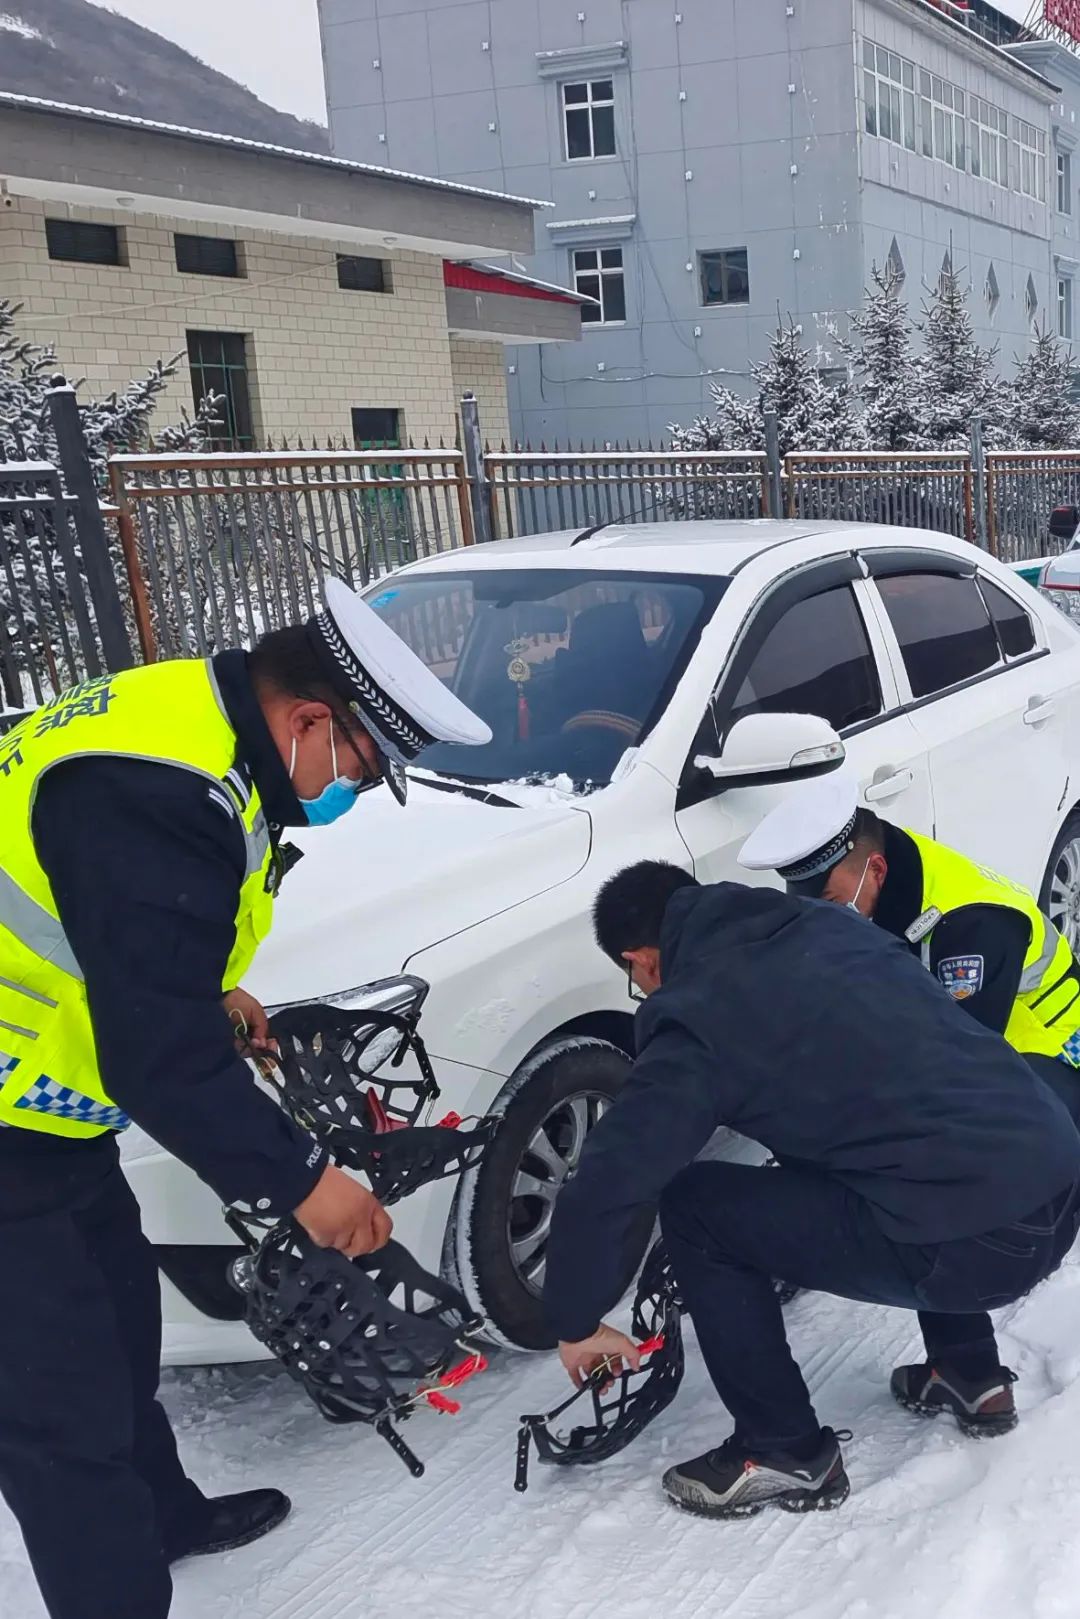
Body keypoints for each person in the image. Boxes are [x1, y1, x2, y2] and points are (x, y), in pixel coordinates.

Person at [0, 578, 490, 1619]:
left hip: (48, 1117)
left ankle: (162, 1515)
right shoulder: (156, 790)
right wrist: (309, 1183)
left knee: (122, 1330)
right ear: (311, 717)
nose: (354, 787)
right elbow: (156, 1056)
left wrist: (204, 980)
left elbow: (101, 913)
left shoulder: (193, 722)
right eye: (363, 765)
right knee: (59, 1411)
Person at [542, 861, 1080, 1520]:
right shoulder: (824, 923)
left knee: (694, 1205)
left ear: (641, 959)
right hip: (1055, 1177)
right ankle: (969, 1373)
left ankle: (782, 1448)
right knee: (892, 1131)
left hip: (977, 1242)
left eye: (635, 980)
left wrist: (573, 1316)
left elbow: (614, 1175)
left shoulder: (699, 1011)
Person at [738, 770, 1080, 1121]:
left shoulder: (969, 929)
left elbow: (957, 1061)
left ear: (877, 870)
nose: (828, 918)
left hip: (1051, 1054)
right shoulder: (889, 862)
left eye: (833, 902)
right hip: (991, 1033)